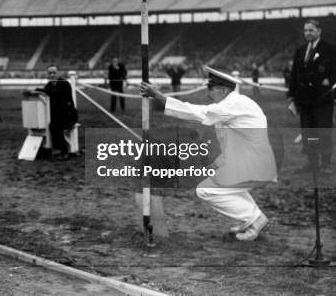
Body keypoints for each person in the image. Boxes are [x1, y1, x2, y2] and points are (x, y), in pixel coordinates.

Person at [141, 67, 277, 241]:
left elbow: (198, 113)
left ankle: (256, 220)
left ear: (223, 90)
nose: (207, 94)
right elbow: (234, 142)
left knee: (206, 190)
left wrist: (159, 96)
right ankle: (252, 219)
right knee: (226, 187)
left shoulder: (232, 104)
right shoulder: (235, 103)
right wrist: (218, 164)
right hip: (252, 162)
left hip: (254, 165)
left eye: (210, 89)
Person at [287, 19, 336, 172]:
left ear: (319, 31)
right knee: (309, 131)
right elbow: (295, 74)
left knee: (323, 130)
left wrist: (331, 81)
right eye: (305, 30)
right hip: (305, 100)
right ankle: (312, 161)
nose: (307, 33)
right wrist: (292, 96)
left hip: (323, 100)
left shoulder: (330, 49)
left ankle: (326, 162)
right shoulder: (300, 50)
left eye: (311, 30)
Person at [37, 65, 78, 159]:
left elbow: (55, 93)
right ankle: (53, 149)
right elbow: (48, 92)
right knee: (52, 124)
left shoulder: (65, 84)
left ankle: (64, 151)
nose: (52, 75)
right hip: (57, 115)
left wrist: (38, 90)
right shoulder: (49, 85)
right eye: (50, 73)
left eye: (54, 72)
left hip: (68, 115)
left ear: (58, 73)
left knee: (55, 126)